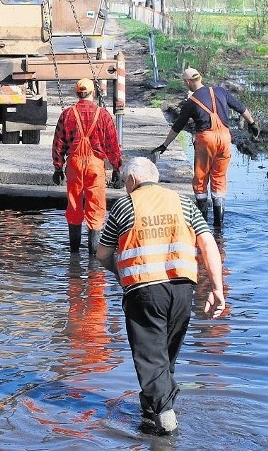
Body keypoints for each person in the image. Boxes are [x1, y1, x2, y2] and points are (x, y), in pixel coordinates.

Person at [97, 157, 225, 435]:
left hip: (143, 289)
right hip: (182, 290)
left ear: (131, 180)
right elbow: (207, 243)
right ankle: (149, 413)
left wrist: (120, 274)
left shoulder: (124, 205)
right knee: (165, 358)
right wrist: (217, 288)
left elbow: (102, 253)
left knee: (150, 357)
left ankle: (166, 421)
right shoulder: (182, 202)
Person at [152, 67, 260, 228]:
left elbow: (178, 126)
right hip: (225, 138)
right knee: (219, 178)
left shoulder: (191, 102)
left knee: (201, 178)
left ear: (187, 82)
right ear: (200, 78)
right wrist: (252, 124)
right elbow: (241, 107)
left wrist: (164, 145)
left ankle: (202, 223)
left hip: (206, 139)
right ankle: (219, 224)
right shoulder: (220, 91)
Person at [52, 78, 122, 254]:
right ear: (94, 93)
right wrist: (116, 168)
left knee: (74, 205)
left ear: (77, 94)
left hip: (74, 165)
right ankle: (94, 258)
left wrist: (58, 167)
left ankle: (73, 254)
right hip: (95, 165)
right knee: (96, 208)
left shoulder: (67, 114)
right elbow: (112, 144)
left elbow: (58, 143)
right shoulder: (104, 115)